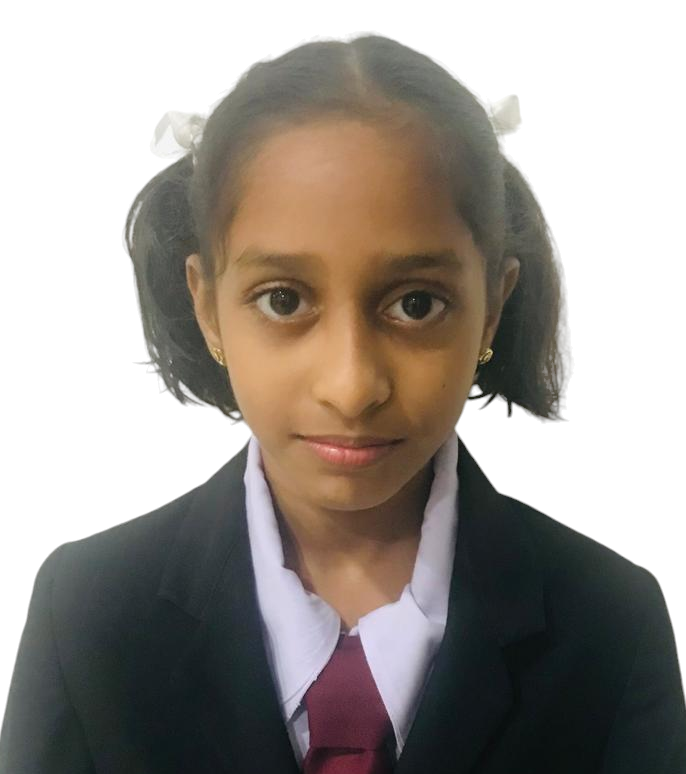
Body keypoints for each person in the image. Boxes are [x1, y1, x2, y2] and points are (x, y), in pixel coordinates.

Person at [0, 33, 684, 774]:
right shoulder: (87, 615)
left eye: (416, 303)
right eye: (283, 300)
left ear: (491, 307)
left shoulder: (611, 627)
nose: (352, 386)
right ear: (207, 307)